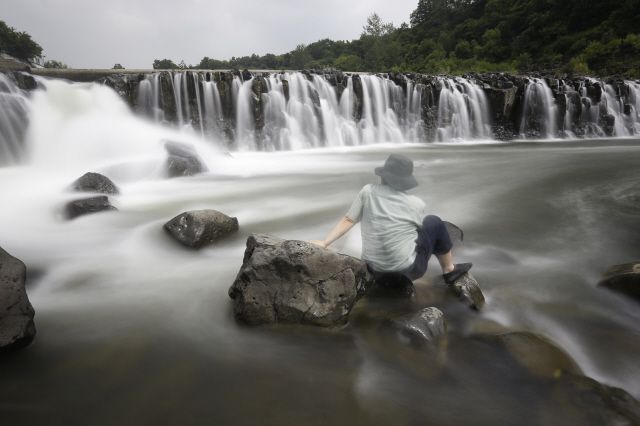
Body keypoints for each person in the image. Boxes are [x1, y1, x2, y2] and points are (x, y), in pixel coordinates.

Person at [308, 154, 471, 284]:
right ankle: (449, 269)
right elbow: (412, 235)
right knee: (434, 222)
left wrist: (325, 243)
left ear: (383, 176)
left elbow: (348, 220)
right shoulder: (415, 204)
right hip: (408, 272)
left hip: (372, 269)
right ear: (406, 182)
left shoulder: (367, 192)